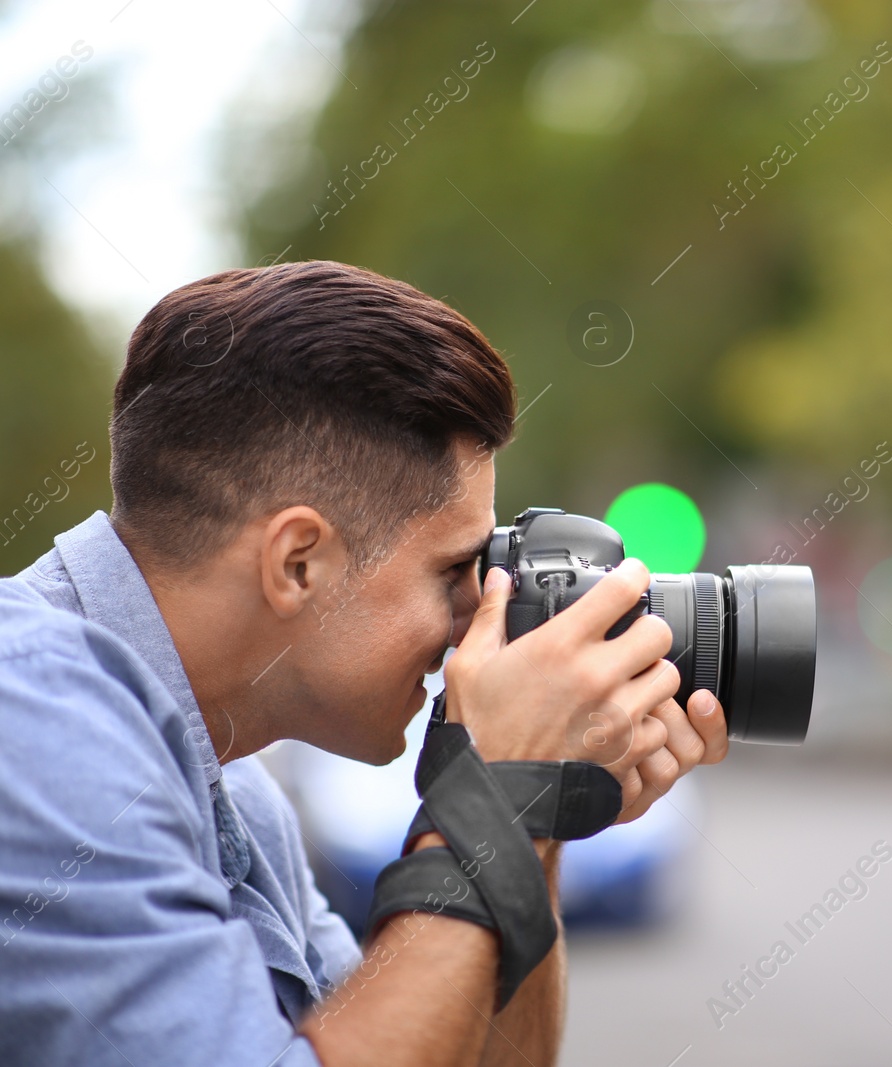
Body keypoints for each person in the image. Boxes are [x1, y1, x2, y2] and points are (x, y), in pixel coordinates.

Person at [0, 260, 728, 1065]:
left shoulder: (237, 795)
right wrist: (491, 801)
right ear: (298, 562)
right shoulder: (33, 719)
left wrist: (536, 818)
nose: (477, 621)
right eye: (452, 572)